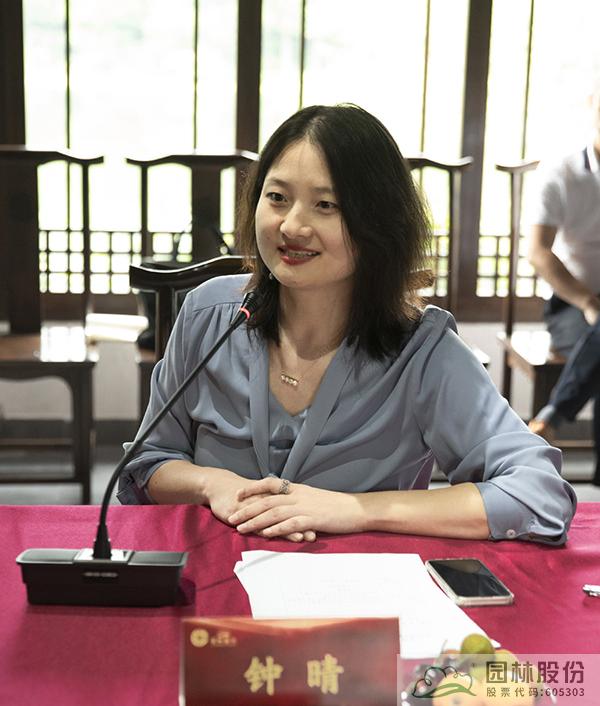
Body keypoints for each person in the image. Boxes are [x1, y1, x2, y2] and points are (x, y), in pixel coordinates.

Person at [118, 104, 576, 545]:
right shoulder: (207, 315)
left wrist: (356, 509)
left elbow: (538, 494)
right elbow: (148, 462)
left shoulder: (422, 351)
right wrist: (210, 483)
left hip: (360, 587)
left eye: (326, 205)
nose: (292, 226)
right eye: (277, 198)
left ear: (378, 223)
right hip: (213, 580)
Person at [527, 81, 600, 484]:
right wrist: (587, 301)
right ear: (593, 108)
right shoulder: (562, 171)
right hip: (572, 302)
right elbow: (539, 252)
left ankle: (551, 418)